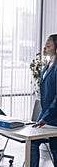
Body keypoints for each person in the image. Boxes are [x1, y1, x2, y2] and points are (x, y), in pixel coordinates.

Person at [31, 34, 57, 167]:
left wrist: (45, 117)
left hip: (54, 114)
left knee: (55, 149)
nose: (44, 49)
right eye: (45, 46)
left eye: (48, 46)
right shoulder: (47, 65)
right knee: (33, 142)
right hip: (45, 111)